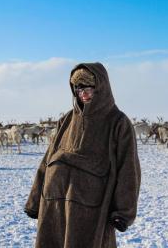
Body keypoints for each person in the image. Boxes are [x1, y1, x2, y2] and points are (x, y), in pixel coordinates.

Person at [24, 62, 141, 248]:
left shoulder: (118, 123)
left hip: (91, 208)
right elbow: (48, 160)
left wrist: (123, 212)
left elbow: (128, 169)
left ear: (100, 87)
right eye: (78, 88)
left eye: (88, 87)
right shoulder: (67, 119)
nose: (83, 93)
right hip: (54, 204)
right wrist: (35, 200)